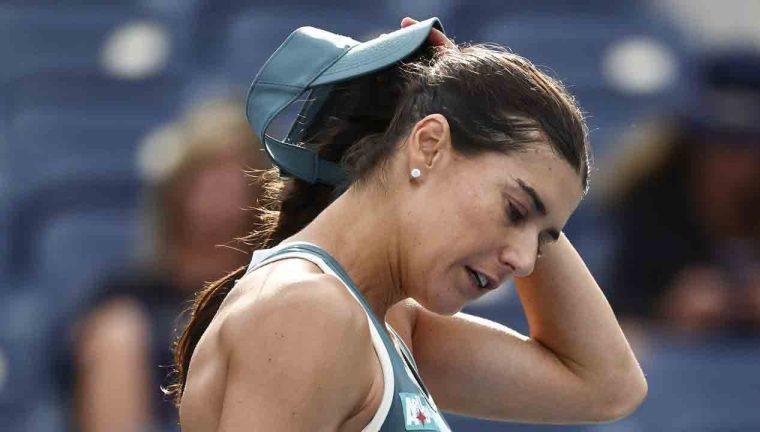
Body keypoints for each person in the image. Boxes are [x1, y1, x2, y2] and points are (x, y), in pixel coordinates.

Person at [170, 18, 647, 431]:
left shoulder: (387, 321)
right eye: (515, 211)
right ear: (430, 146)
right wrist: (463, 92)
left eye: (543, 239)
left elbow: (607, 386)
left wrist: (465, 95)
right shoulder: (308, 311)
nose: (524, 262)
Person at [70, 98, 269, 432]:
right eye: (205, 178)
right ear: (177, 189)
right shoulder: (127, 305)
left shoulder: (273, 292)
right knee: (115, 336)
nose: (217, 197)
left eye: (230, 180)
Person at [604, 50, 760, 336]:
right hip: (673, 375)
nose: (731, 163)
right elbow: (613, 321)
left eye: (747, 146)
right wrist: (665, 312)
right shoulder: (647, 203)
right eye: (717, 143)